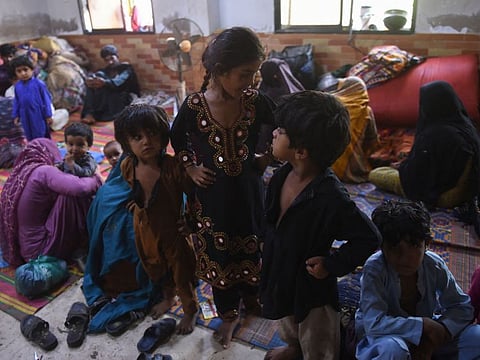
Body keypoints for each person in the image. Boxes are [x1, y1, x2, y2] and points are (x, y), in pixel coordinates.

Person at [170, 26, 276, 348]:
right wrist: (190, 166)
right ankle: (229, 315)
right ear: (219, 71)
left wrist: (266, 156)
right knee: (220, 256)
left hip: (248, 195)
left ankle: (253, 300)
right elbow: (177, 138)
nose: (252, 82)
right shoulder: (194, 106)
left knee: (252, 247)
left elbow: (280, 127)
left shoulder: (256, 102)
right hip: (211, 201)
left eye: (255, 74)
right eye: (245, 74)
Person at [260, 91, 380, 360]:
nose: (274, 134)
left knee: (317, 339)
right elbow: (270, 218)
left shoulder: (330, 197)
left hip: (311, 287)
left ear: (301, 151)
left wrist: (331, 264)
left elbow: (368, 237)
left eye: (281, 131)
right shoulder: (281, 176)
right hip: (280, 272)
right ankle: (294, 348)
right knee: (288, 322)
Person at [355, 199, 480, 360]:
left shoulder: (433, 264)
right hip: (386, 337)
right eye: (394, 248)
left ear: (427, 244)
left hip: (427, 337)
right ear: (382, 247)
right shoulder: (375, 269)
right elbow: (373, 324)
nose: (405, 257)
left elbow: (462, 307)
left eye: (414, 246)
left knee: (477, 337)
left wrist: (440, 330)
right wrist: (423, 326)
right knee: (394, 351)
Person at [115, 103, 198, 334]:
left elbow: (193, 194)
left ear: (164, 135)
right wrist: (135, 203)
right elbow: (134, 189)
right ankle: (168, 296)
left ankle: (190, 310)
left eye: (152, 134)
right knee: (154, 266)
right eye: (137, 137)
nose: (146, 141)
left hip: (173, 231)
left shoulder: (174, 167)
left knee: (182, 272)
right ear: (126, 143)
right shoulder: (127, 166)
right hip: (144, 229)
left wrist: (191, 221)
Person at [82, 153, 163, 333]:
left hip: (108, 277)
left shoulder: (106, 192)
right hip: (143, 274)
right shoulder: (161, 174)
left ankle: (111, 296)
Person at [368, 80, 480, 209]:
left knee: (375, 174)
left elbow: (418, 178)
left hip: (444, 196)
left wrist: (404, 167)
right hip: (467, 191)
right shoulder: (466, 125)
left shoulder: (434, 134)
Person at [0, 138, 102, 267]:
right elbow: (81, 188)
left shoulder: (21, 172)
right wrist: (96, 177)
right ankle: (84, 240)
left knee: (65, 188)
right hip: (42, 251)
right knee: (71, 196)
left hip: (25, 249)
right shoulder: (43, 171)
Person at [329, 76, 380, 183]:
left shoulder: (329, 106)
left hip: (322, 165)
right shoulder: (365, 110)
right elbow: (372, 142)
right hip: (351, 169)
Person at [81, 44, 140, 125]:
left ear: (117, 56)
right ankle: (89, 114)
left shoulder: (126, 68)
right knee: (94, 81)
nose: (110, 62)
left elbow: (117, 82)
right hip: (108, 96)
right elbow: (98, 76)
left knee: (103, 84)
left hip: (121, 96)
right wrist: (91, 80)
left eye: (112, 58)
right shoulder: (106, 70)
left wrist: (104, 82)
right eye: (107, 60)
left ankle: (93, 113)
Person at [11, 55, 53, 141]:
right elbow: (17, 101)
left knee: (40, 133)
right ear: (15, 73)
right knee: (28, 133)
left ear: (32, 70)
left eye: (25, 70)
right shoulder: (18, 86)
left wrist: (48, 115)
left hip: (38, 113)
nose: (23, 73)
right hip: (24, 114)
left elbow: (46, 100)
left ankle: (43, 150)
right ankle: (33, 151)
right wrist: (16, 115)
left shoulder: (39, 84)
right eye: (19, 71)